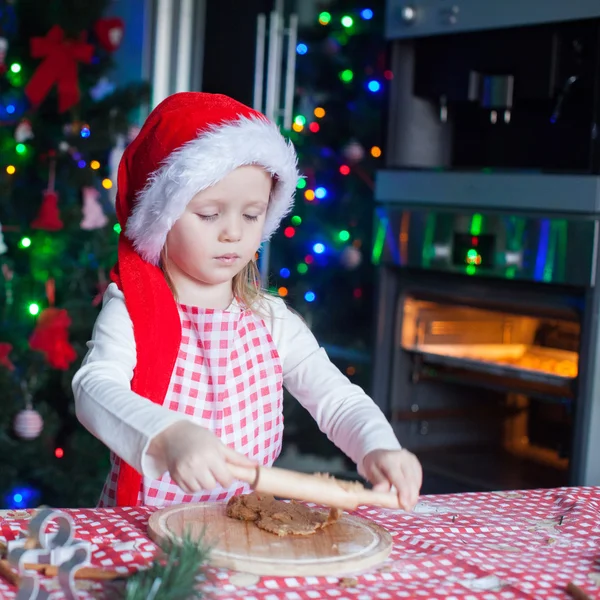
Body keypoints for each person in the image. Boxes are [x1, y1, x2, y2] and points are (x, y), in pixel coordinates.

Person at [72, 92, 422, 509]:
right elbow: (93, 389)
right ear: (161, 217)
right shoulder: (130, 311)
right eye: (209, 214)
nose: (233, 233)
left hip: (244, 528)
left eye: (252, 214)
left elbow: (336, 398)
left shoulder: (270, 319)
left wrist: (377, 447)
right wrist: (167, 434)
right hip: (144, 531)